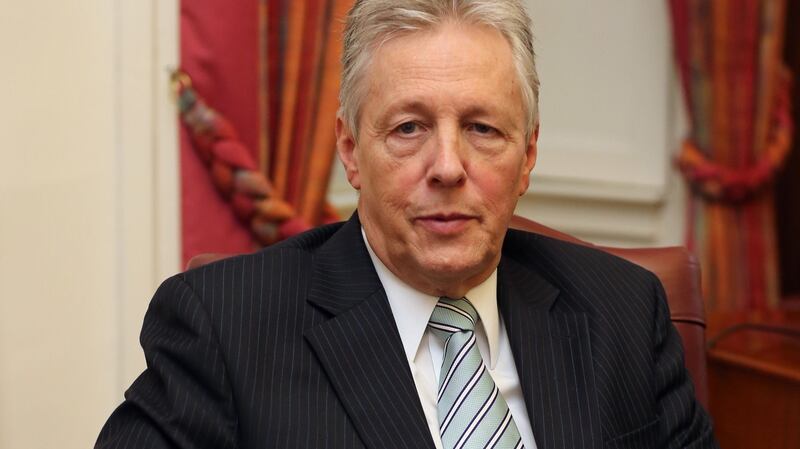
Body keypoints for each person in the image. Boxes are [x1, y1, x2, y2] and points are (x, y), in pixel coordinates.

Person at [96, 1, 719, 448]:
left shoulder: (624, 312)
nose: (447, 167)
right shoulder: (225, 327)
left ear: (527, 155)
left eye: (482, 129)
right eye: (408, 128)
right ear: (350, 150)